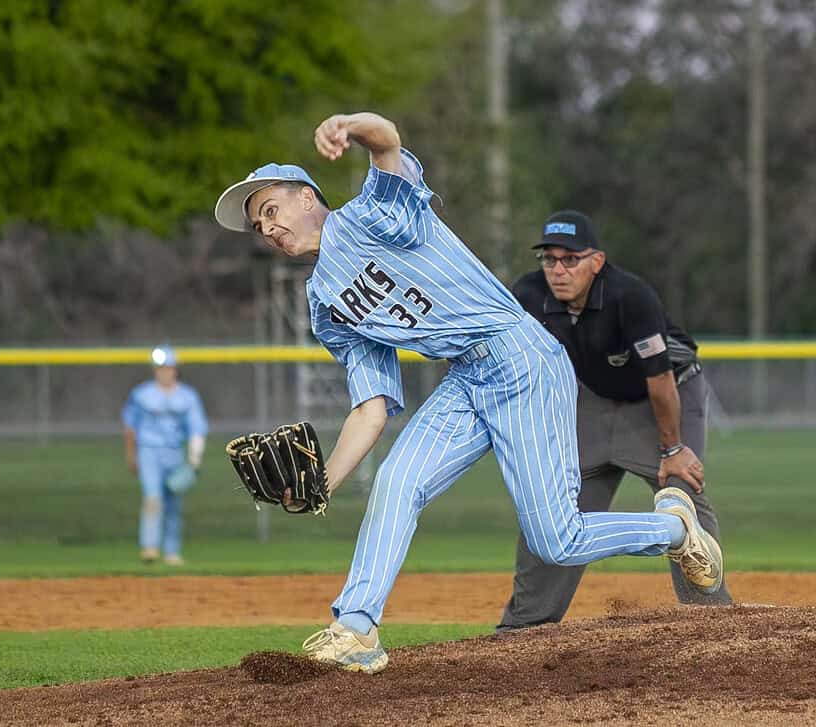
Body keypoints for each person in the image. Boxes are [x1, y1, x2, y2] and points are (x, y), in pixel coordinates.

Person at [213, 111, 724, 674]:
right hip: (468, 379)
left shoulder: (371, 216)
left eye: (270, 210)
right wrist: (323, 482)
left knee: (557, 540)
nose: (267, 229)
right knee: (396, 481)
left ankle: (675, 527)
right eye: (258, 227)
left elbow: (387, 144)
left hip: (521, 357)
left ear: (307, 197)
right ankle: (357, 626)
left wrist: (349, 125)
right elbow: (372, 405)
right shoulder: (325, 306)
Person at [497, 211, 732, 631]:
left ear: (597, 261)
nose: (558, 269)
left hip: (666, 396)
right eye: (549, 259)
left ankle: (710, 626)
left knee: (681, 493)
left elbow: (660, 379)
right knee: (553, 507)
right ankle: (523, 629)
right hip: (596, 399)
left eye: (570, 259)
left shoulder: (630, 296)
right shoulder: (530, 295)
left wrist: (674, 451)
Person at [121, 345, 208, 566]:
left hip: (175, 452)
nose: (165, 372)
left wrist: (195, 458)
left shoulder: (187, 396)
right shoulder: (142, 395)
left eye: (169, 368)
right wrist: (131, 455)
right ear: (155, 370)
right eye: (161, 368)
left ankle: (172, 552)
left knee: (173, 504)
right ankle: (149, 548)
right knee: (153, 498)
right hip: (149, 451)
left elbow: (197, 428)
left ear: (175, 369)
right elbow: (130, 426)